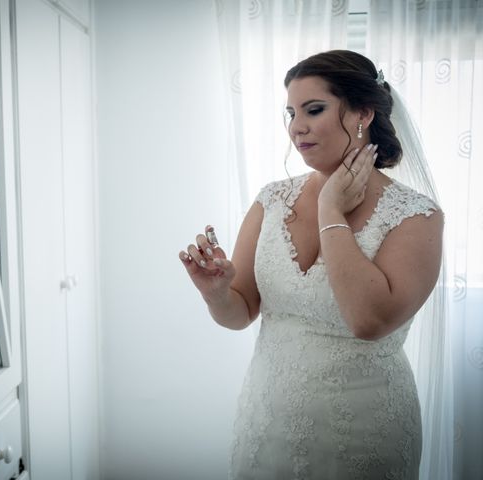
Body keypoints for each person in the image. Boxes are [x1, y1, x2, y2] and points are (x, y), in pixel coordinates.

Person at [179, 50, 443, 479]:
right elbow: (241, 312)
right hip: (266, 424)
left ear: (362, 113)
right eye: (290, 113)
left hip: (365, 433)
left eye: (313, 109)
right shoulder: (270, 200)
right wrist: (216, 294)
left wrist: (331, 211)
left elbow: (367, 321)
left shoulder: (417, 217)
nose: (295, 127)